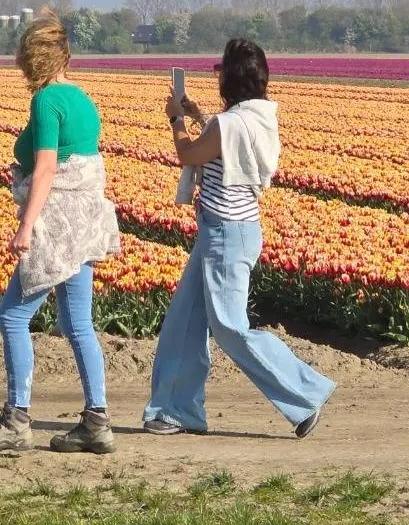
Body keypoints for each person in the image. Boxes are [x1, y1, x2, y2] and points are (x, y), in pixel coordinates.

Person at [143, 38, 336, 439]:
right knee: (184, 323)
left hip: (226, 235)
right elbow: (224, 143)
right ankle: (175, 410)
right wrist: (198, 115)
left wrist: (177, 120)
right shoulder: (259, 117)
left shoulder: (228, 124)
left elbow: (190, 155)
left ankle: (305, 394)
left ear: (231, 79)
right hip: (229, 230)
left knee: (230, 327)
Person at [0, 8, 122, 455]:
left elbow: (49, 167)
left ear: (31, 59)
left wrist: (27, 224)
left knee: (12, 316)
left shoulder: (46, 101)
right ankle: (97, 423)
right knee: (79, 325)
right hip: (86, 222)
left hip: (58, 224)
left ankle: (16, 419)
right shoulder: (82, 98)